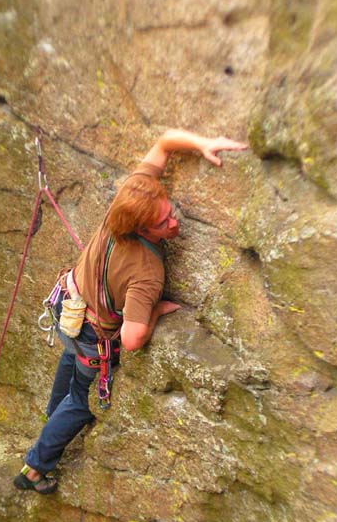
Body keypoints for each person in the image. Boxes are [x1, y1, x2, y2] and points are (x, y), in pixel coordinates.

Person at [14, 129, 247, 494]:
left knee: (69, 357)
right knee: (81, 401)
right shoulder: (146, 271)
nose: (174, 223)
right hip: (93, 334)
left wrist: (202, 144)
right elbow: (133, 339)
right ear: (140, 228)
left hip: (66, 305)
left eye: (170, 212)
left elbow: (164, 142)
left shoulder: (129, 200)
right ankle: (34, 468)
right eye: (163, 223)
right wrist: (156, 312)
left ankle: (49, 416)